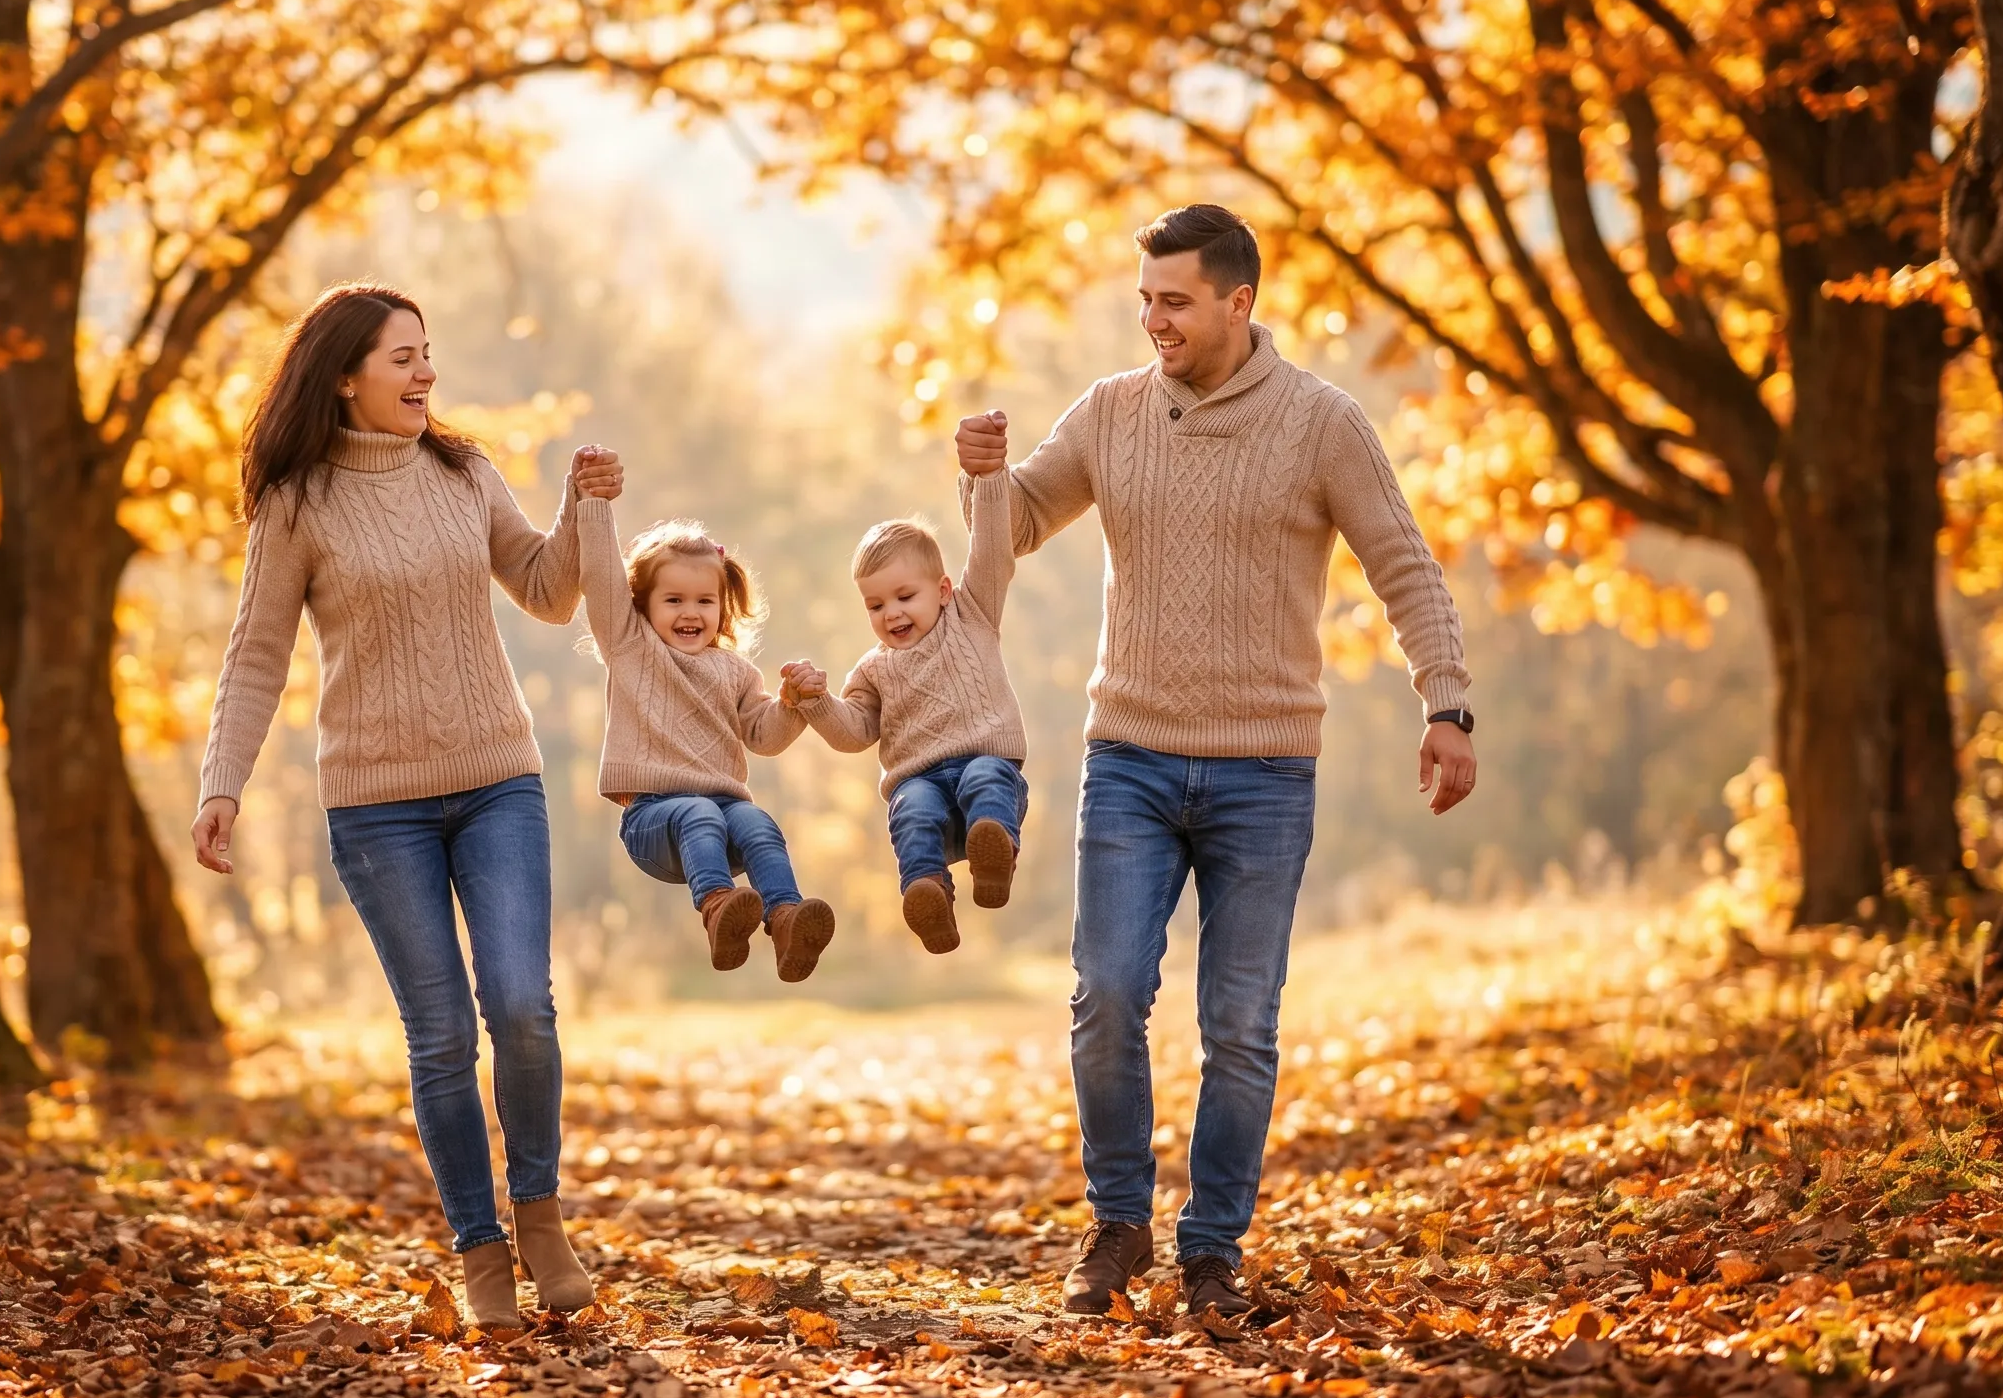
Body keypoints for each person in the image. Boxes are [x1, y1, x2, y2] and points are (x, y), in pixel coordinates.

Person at [956, 204, 1478, 1322]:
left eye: (1176, 302)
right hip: (1130, 758)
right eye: (1143, 300)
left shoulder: (1320, 424)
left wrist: (1448, 705)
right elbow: (1022, 523)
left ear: (1239, 303)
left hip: (1264, 772)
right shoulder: (1108, 412)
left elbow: (1404, 565)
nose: (1154, 321)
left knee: (1238, 1024)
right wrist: (984, 480)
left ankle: (1210, 1251)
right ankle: (1116, 1225)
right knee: (1104, 997)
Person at [188, 282, 614, 1331]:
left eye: (429, 353)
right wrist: (221, 784)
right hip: (375, 807)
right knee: (437, 1037)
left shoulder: (463, 473)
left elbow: (548, 591)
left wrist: (583, 508)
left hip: (496, 778)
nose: (426, 373)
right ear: (345, 376)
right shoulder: (296, 505)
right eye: (402, 357)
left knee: (520, 1005)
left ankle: (541, 1217)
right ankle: (479, 1251)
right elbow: (256, 656)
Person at [576, 497, 837, 980]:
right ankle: (718, 909)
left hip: (725, 822)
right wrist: (593, 503)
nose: (689, 612)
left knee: (757, 822)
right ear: (641, 604)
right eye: (673, 600)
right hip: (653, 821)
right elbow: (599, 578)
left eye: (704, 600)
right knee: (697, 809)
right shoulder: (632, 648)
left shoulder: (735, 671)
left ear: (723, 605)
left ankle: (785, 918)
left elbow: (764, 736)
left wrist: (793, 703)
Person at [783, 468, 1029, 955]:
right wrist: (816, 701)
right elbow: (854, 732)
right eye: (875, 605)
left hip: (985, 762)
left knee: (984, 777)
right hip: (920, 781)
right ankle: (928, 895)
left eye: (904, 597)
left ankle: (994, 857)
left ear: (941, 590)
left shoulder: (972, 614)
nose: (890, 613)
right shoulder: (873, 669)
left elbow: (993, 548)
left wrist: (987, 477)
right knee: (911, 809)